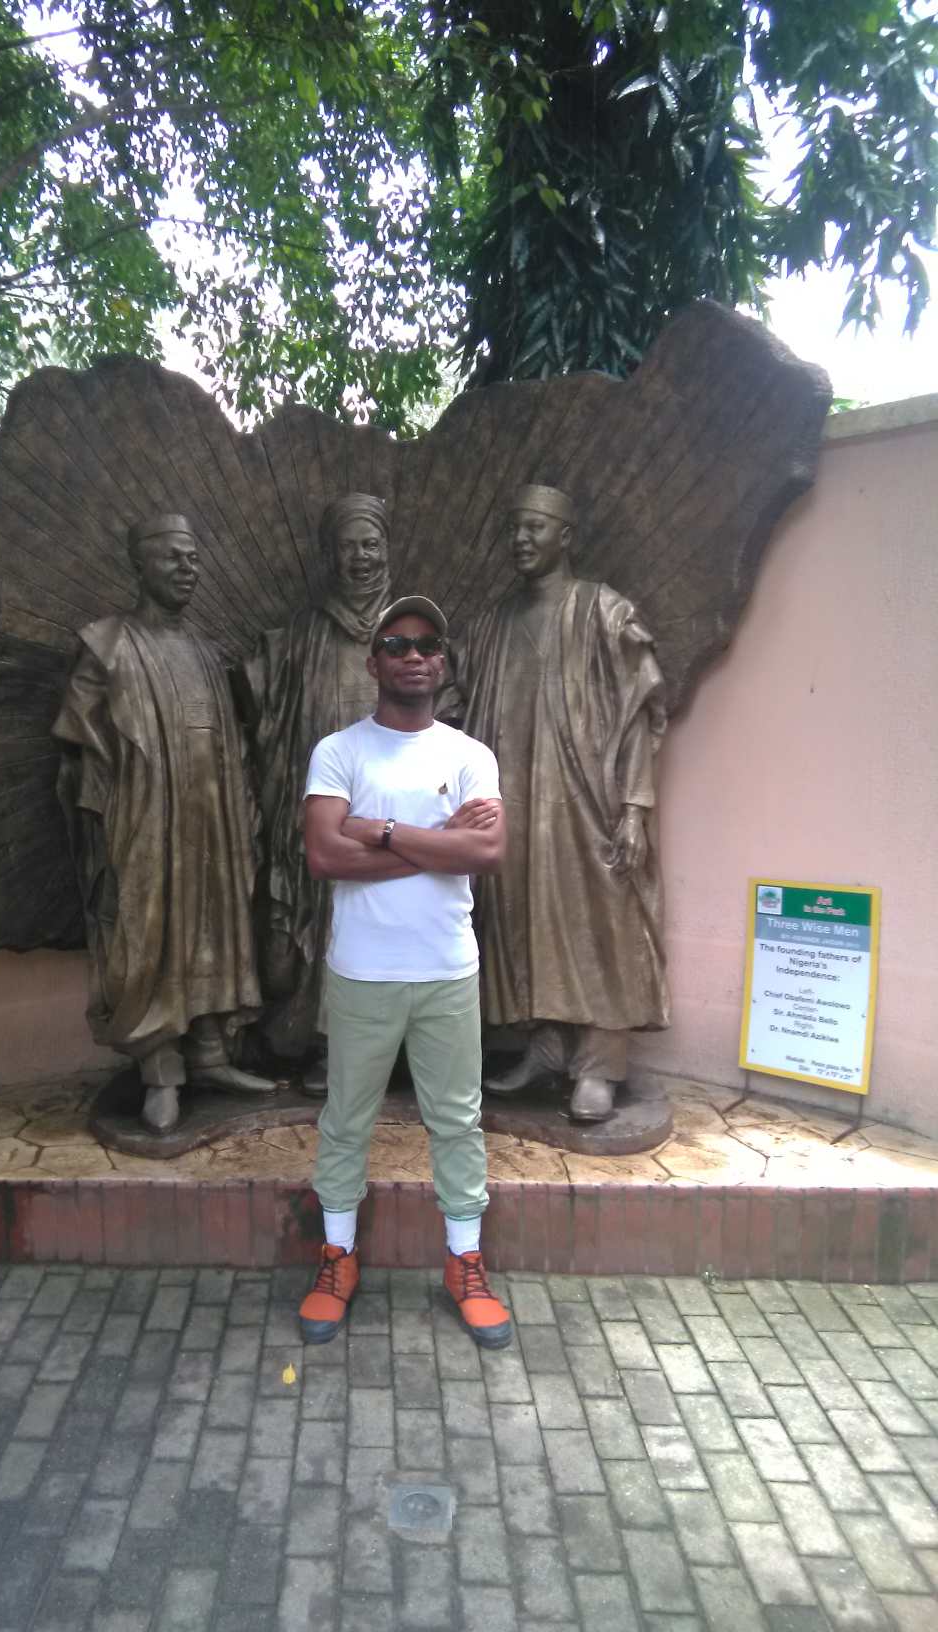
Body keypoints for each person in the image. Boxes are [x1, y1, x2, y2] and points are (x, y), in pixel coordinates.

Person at [296, 596, 513, 1349]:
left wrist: (383, 831)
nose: (413, 656)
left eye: (427, 644)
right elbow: (324, 855)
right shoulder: (339, 752)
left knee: (457, 1121)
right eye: (396, 644)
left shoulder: (469, 755)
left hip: (447, 969)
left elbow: (487, 852)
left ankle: (465, 1261)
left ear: (442, 662)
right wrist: (436, 841)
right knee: (346, 1120)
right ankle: (337, 1256)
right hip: (362, 971)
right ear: (374, 662)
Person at [52, 514, 273, 1135]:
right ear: (140, 564)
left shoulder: (205, 652)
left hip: (213, 818)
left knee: (214, 928)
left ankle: (210, 1054)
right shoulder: (107, 645)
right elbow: (80, 740)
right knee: (148, 934)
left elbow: (229, 737)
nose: (187, 568)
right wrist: (111, 806)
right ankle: (160, 1069)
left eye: (194, 558)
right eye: (174, 557)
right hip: (145, 817)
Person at [460, 485, 670, 1122]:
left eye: (535, 527)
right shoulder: (492, 625)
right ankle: (546, 1048)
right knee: (523, 920)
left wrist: (634, 808)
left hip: (588, 801)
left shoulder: (605, 612)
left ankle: (600, 1065)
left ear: (566, 536)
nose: (521, 539)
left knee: (602, 922)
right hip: (515, 801)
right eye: (514, 528)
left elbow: (638, 718)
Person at [235, 493, 391, 1083]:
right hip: (324, 809)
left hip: (394, 812)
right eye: (348, 547)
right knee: (325, 926)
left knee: (387, 921)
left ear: (387, 549)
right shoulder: (303, 634)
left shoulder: (409, 631)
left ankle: (392, 1046)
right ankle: (330, 1044)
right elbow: (270, 711)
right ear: (330, 555)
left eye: (370, 544)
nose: (360, 558)